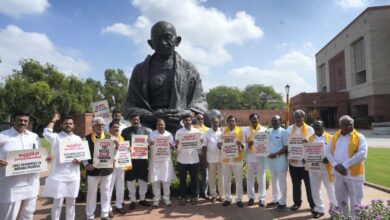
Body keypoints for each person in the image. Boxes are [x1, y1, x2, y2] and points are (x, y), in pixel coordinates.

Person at [122, 20, 208, 134]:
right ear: (151, 43)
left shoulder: (190, 69)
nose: (163, 42)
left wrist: (185, 113)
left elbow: (201, 102)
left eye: (168, 37)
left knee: (214, 114)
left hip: (180, 123)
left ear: (177, 41)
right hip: (150, 124)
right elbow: (128, 106)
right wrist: (151, 116)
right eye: (157, 39)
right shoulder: (140, 70)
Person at [0, 110, 41, 220]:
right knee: (8, 216)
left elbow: (37, 154)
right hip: (10, 186)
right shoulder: (2, 136)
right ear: (13, 121)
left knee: (28, 214)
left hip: (31, 183)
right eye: (20, 120)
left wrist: (45, 159)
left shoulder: (34, 137)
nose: (22, 122)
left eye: (25, 120)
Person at [41, 114, 82, 220]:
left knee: (71, 202)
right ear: (61, 125)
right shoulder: (56, 137)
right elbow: (46, 132)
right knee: (57, 202)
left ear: (74, 125)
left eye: (70, 123)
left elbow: (81, 155)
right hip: (59, 175)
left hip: (73, 176)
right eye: (66, 123)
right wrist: (53, 119)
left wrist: (79, 160)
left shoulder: (78, 138)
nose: (68, 125)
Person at [326, 115, 367, 216]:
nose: (349, 126)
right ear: (340, 125)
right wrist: (335, 165)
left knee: (356, 199)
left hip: (354, 175)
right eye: (346, 124)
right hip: (338, 173)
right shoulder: (334, 137)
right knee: (340, 198)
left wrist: (344, 165)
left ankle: (356, 218)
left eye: (351, 124)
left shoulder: (360, 137)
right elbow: (327, 152)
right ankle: (344, 217)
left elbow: (362, 154)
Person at [83, 117, 114, 220]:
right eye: (98, 125)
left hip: (107, 170)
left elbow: (114, 153)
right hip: (93, 170)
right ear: (93, 126)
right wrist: (86, 164)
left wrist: (119, 148)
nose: (100, 127)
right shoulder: (86, 138)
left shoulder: (110, 137)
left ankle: (104, 215)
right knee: (92, 193)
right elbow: (83, 155)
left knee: (106, 192)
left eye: (102, 125)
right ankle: (90, 216)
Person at [308, 120, 337, 218]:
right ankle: (319, 209)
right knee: (315, 190)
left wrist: (329, 159)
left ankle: (334, 211)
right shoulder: (310, 138)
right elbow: (307, 153)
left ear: (324, 127)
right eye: (315, 126)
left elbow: (336, 152)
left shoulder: (331, 138)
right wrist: (306, 159)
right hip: (313, 170)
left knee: (331, 191)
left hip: (327, 170)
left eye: (319, 126)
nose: (317, 128)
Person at [286, 109, 315, 211]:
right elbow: (287, 144)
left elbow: (314, 146)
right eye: (296, 116)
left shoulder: (310, 129)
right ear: (294, 118)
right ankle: (297, 203)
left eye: (300, 116)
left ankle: (312, 204)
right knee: (296, 184)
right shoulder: (289, 129)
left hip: (305, 163)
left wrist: (307, 143)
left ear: (303, 117)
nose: (298, 118)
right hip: (293, 163)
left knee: (309, 185)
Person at [121, 114, 151, 209]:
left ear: (139, 120)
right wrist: (127, 147)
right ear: (131, 120)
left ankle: (142, 199)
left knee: (143, 180)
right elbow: (122, 145)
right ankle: (133, 200)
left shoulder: (145, 131)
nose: (136, 121)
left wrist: (149, 146)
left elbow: (148, 144)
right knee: (131, 181)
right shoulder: (125, 131)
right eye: (134, 119)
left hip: (142, 160)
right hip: (130, 160)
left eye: (137, 120)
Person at [175, 113, 202, 205]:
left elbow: (200, 145)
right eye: (186, 120)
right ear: (183, 121)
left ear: (191, 121)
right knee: (182, 180)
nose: (188, 122)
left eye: (189, 120)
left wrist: (201, 142)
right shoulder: (179, 132)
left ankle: (194, 196)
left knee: (194, 179)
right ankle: (183, 197)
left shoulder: (197, 132)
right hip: (182, 159)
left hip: (194, 159)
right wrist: (177, 144)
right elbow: (176, 146)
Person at [148, 118, 175, 207]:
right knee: (156, 180)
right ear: (156, 126)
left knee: (166, 180)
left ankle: (166, 198)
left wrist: (171, 145)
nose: (160, 126)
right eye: (158, 124)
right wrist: (150, 144)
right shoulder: (152, 134)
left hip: (165, 161)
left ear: (164, 125)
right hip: (155, 161)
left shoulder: (169, 134)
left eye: (162, 124)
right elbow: (147, 146)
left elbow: (173, 145)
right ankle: (156, 199)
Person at [220, 115, 245, 208]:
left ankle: (239, 199)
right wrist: (219, 145)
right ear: (227, 123)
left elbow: (244, 144)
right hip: (226, 160)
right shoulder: (223, 132)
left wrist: (241, 145)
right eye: (229, 121)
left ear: (235, 122)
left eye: (233, 121)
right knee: (226, 180)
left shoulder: (240, 131)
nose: (231, 122)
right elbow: (220, 144)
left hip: (237, 160)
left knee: (238, 180)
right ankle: (228, 198)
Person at [243, 113, 268, 207]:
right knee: (250, 178)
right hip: (250, 157)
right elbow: (243, 145)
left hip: (261, 158)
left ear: (258, 119)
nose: (254, 120)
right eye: (252, 119)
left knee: (261, 178)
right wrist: (248, 145)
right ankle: (251, 198)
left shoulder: (264, 130)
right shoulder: (246, 131)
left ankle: (262, 198)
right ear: (250, 120)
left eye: (255, 119)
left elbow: (267, 143)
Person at [266, 115, 289, 210]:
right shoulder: (269, 132)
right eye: (272, 120)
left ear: (280, 121)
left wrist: (276, 154)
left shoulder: (284, 132)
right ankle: (275, 200)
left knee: (282, 182)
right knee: (274, 182)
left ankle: (283, 202)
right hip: (271, 161)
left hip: (280, 161)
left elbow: (286, 147)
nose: (274, 122)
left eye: (276, 120)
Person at [202, 116, 224, 203]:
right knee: (211, 178)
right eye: (214, 122)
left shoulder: (222, 132)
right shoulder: (207, 133)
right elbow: (204, 147)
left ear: (219, 123)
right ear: (211, 124)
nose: (215, 124)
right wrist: (205, 159)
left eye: (217, 122)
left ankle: (221, 195)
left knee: (221, 178)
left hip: (221, 158)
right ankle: (213, 195)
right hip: (210, 159)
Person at [108, 122, 127, 216]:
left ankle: (119, 205)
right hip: (111, 166)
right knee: (109, 187)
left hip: (120, 165)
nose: (116, 128)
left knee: (120, 186)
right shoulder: (107, 137)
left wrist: (128, 149)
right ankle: (107, 208)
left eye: (117, 127)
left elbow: (123, 150)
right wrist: (114, 145)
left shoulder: (121, 137)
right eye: (114, 127)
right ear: (110, 128)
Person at [193, 113, 209, 199]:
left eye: (201, 119)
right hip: (195, 153)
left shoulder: (207, 129)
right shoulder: (192, 128)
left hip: (204, 154)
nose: (200, 120)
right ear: (196, 119)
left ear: (203, 120)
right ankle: (197, 193)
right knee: (195, 174)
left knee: (205, 174)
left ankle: (205, 192)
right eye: (198, 118)